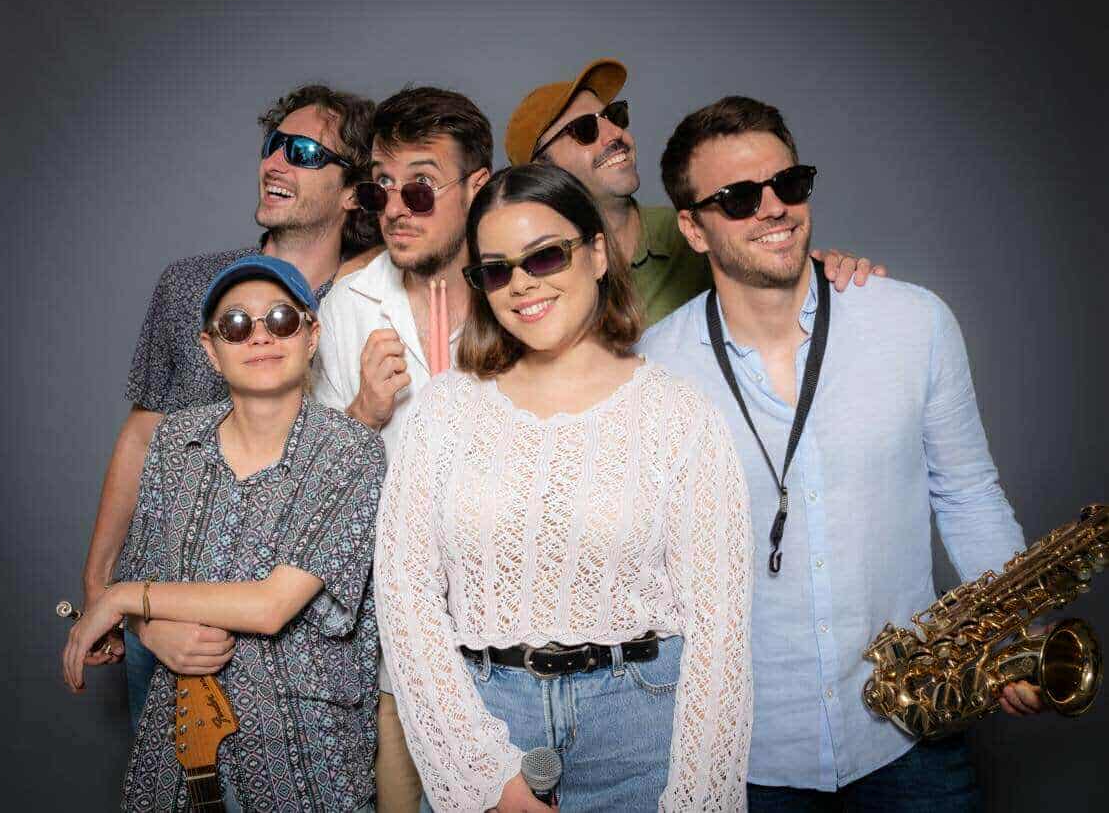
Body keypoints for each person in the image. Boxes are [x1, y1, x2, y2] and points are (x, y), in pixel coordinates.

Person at [641, 96, 1038, 811]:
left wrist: (1012, 627)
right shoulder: (653, 371)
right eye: (739, 198)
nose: (773, 209)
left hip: (911, 733)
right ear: (694, 229)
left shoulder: (913, 322)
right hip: (744, 755)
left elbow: (966, 493)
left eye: (787, 184)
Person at [375, 163, 754, 812]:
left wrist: (700, 797)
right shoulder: (443, 412)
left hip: (642, 729)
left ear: (597, 253)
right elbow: (404, 599)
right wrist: (481, 772)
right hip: (488, 715)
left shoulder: (678, 416)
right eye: (497, 270)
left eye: (545, 256)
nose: (522, 284)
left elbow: (721, 634)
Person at [77, 84, 382, 731]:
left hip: (294, 632)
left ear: (353, 192)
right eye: (273, 145)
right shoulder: (189, 287)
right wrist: (105, 596)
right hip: (165, 623)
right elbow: (141, 438)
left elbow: (343, 472)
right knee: (166, 777)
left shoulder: (369, 303)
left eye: (302, 153)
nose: (274, 162)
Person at [63, 256, 385, 811]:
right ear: (211, 350)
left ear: (311, 336)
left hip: (303, 760)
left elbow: (271, 606)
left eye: (281, 319)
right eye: (236, 324)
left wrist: (118, 598)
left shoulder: (349, 452)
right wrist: (149, 630)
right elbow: (146, 583)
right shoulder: (173, 443)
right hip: (177, 751)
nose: (260, 336)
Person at [313, 85, 493, 812]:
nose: (394, 208)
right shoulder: (347, 306)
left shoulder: (522, 299)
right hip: (400, 650)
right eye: (380, 187)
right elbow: (307, 491)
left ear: (475, 187)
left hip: (514, 643)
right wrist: (363, 414)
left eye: (418, 187)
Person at [504, 58, 886, 324]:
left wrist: (832, 275)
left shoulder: (707, 227)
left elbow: (783, 277)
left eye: (615, 116)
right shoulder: (526, 272)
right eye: (585, 130)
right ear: (541, 169)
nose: (616, 134)